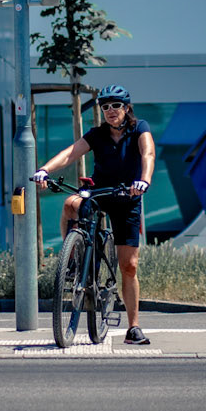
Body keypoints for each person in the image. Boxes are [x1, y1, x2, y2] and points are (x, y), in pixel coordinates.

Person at [35, 84, 155, 345]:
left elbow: (148, 154)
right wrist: (45, 170)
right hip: (99, 192)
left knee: (129, 266)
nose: (110, 111)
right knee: (71, 204)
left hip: (128, 197)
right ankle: (73, 260)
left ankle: (133, 328)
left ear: (126, 108)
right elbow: (70, 153)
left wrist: (144, 180)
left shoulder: (139, 128)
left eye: (116, 106)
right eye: (105, 106)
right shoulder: (97, 134)